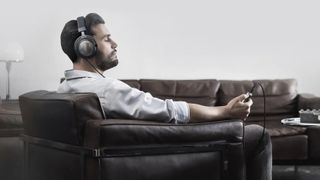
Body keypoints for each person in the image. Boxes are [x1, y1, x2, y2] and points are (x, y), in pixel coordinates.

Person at [58, 13, 272, 180]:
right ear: (86, 47)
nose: (115, 44)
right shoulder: (106, 89)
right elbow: (172, 112)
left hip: (114, 156)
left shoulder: (64, 89)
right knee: (256, 134)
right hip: (151, 157)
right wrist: (225, 112)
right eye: (106, 39)